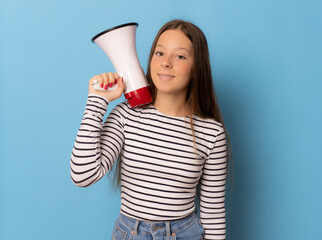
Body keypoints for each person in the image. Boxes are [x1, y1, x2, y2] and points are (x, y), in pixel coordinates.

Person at [71, 19, 230, 240]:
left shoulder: (212, 133)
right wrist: (97, 101)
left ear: (197, 68)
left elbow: (212, 211)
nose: (166, 63)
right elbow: (82, 175)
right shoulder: (126, 115)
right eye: (159, 53)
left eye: (180, 56)